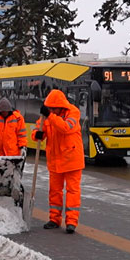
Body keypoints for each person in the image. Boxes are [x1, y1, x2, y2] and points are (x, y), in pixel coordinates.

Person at [32, 89, 84, 235]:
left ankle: (71, 222)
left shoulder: (73, 113)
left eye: (54, 108)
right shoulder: (47, 116)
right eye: (50, 108)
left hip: (72, 159)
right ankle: (54, 219)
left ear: (61, 106)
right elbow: (36, 132)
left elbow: (65, 128)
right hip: (55, 160)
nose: (52, 110)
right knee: (54, 191)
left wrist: (50, 116)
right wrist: (37, 134)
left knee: (72, 191)